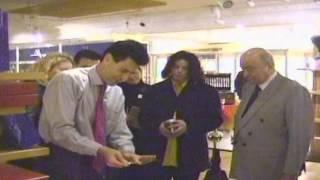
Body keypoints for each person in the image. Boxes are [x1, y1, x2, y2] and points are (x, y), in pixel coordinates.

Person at [39, 40, 152, 180]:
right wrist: (101, 150)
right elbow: (60, 131)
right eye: (123, 70)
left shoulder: (116, 92)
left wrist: (127, 152)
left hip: (96, 163)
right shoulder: (67, 80)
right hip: (62, 158)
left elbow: (119, 131)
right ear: (107, 59)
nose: (124, 78)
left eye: (131, 73)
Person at [230, 48, 314, 180]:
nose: (245, 74)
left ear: (268, 66)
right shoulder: (249, 88)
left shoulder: (293, 91)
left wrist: (290, 172)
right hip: (245, 167)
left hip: (271, 170)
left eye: (250, 69)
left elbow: (299, 138)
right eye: (243, 69)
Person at [139, 50, 223, 180]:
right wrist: (158, 126)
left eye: (184, 68)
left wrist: (188, 126)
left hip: (191, 152)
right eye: (176, 67)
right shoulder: (155, 90)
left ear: (192, 70)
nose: (179, 71)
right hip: (157, 151)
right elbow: (143, 117)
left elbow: (215, 119)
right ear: (170, 68)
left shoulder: (206, 92)